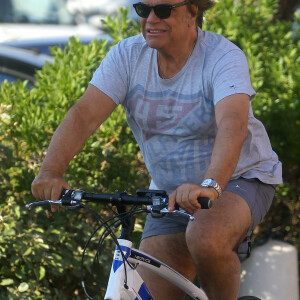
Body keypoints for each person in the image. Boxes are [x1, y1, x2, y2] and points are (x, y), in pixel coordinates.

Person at [31, 0, 282, 299]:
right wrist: (51, 171)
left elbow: (233, 125)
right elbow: (84, 115)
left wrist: (211, 186)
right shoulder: (127, 56)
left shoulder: (222, 57)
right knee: (144, 293)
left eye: (163, 10)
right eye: (142, 9)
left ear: (193, 10)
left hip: (237, 180)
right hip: (169, 193)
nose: (151, 18)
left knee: (205, 237)